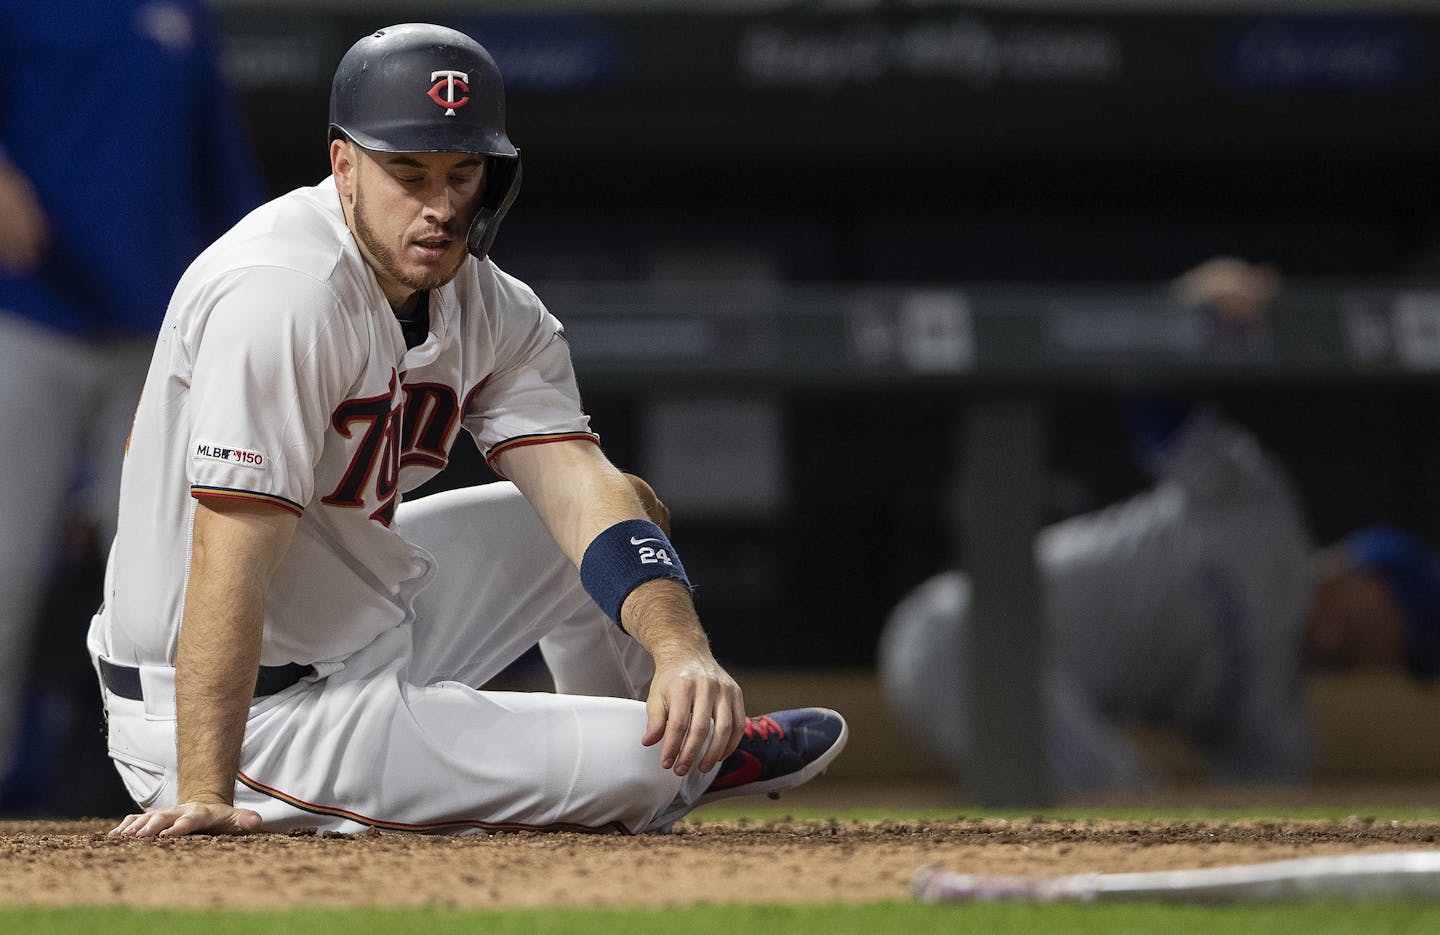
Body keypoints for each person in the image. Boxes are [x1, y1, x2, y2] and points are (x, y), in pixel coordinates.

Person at [90, 23, 847, 838]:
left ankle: (673, 737)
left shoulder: (489, 305)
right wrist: (205, 788)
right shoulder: (282, 294)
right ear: (344, 166)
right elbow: (227, 549)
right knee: (636, 768)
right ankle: (651, 767)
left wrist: (682, 649)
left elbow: (583, 493)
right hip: (228, 709)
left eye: (461, 174)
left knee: (624, 503)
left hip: (351, 628)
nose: (439, 206)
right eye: (407, 173)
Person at [878, 258, 1440, 796]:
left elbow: (1263, 820)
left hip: (1026, 671)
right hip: (968, 628)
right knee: (1122, 808)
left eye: (1403, 652)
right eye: (1399, 620)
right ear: (1364, 569)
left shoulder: (1275, 721)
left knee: (1135, 807)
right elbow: (1157, 400)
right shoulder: (1261, 511)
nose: (1385, 648)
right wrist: (1190, 308)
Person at [0, 0, 264, 798]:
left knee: (169, 583)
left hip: (153, 335)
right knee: (4, 571)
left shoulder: (179, 12)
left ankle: (187, 782)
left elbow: (219, 165)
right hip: (26, 316)